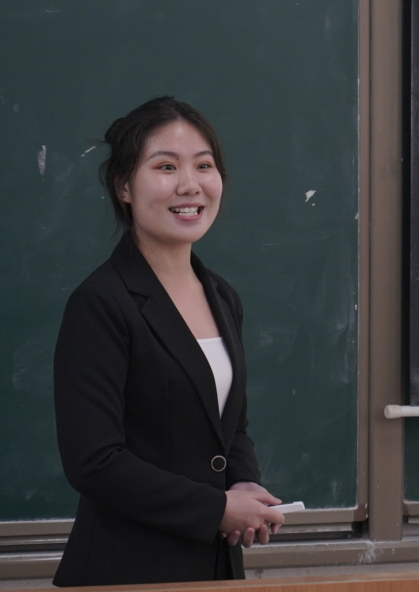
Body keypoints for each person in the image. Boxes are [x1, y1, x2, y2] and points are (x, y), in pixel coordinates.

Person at [52, 96, 283, 586]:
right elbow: (94, 461)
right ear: (123, 186)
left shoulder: (221, 295)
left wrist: (244, 481)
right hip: (128, 571)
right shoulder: (101, 302)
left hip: (214, 566)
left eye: (204, 165)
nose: (190, 185)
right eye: (166, 167)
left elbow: (230, 426)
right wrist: (217, 508)